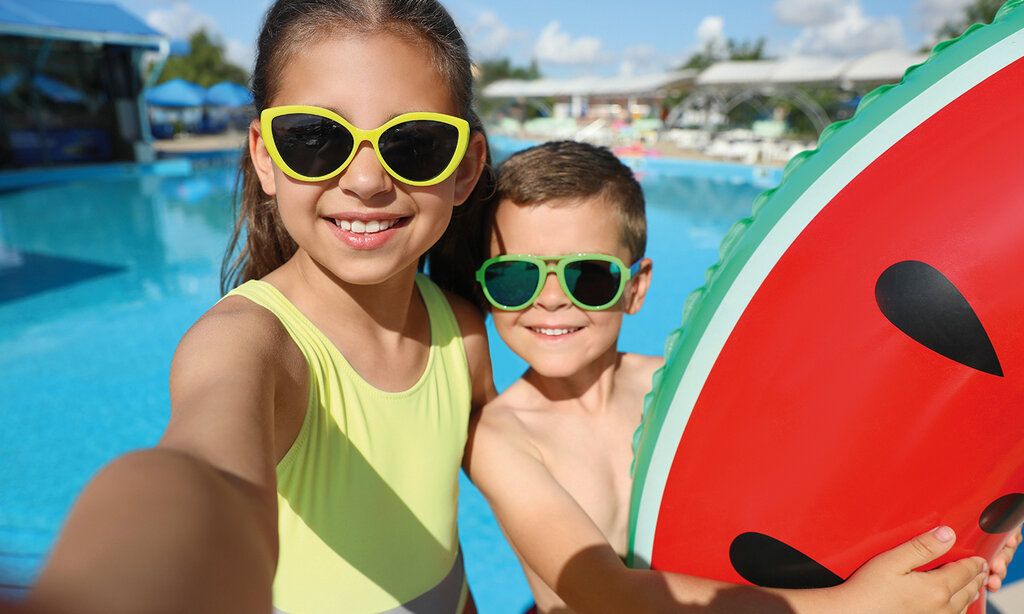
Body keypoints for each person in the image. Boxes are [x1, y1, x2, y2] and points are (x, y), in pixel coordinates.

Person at [20, 1, 495, 613]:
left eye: (417, 144)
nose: (368, 181)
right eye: (315, 139)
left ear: (466, 170)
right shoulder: (250, 345)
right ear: (266, 156)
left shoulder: (459, 330)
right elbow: (207, 474)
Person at [464, 140, 1017, 613]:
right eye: (517, 278)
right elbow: (605, 595)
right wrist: (849, 606)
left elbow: (832, 474)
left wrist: (973, 543)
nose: (553, 300)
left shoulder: (682, 390)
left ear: (637, 288)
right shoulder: (501, 438)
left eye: (588, 276)